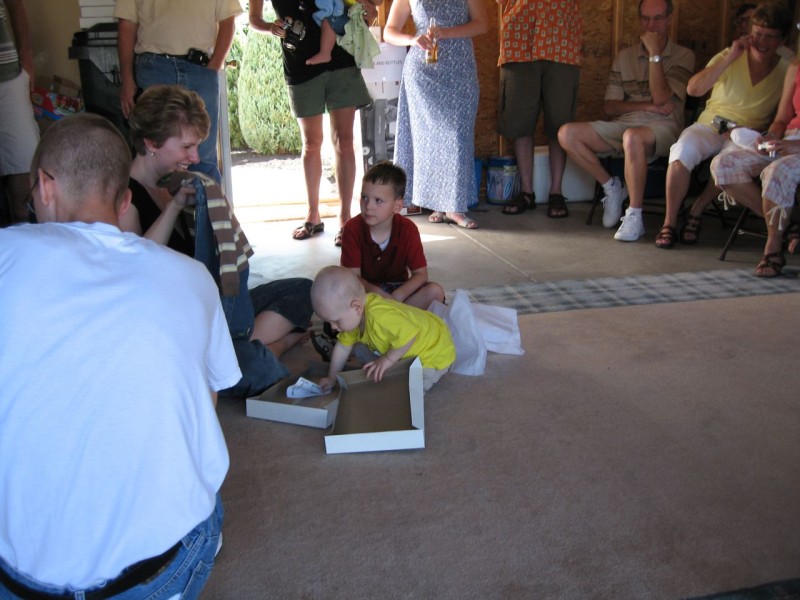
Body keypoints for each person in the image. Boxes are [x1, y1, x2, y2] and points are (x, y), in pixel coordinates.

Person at [0, 113, 239, 597]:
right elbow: (207, 403)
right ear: (126, 200)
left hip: (20, 579)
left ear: (44, 186)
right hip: (155, 575)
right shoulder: (192, 278)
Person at [125, 84, 313, 396]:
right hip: (180, 324)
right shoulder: (127, 199)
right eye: (187, 147)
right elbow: (136, 269)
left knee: (304, 290)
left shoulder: (172, 183)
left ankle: (231, 345)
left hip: (211, 308)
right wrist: (173, 208)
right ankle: (271, 345)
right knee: (258, 370)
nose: (195, 156)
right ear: (152, 142)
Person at [656, 2, 791, 249]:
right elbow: (694, 89)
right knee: (681, 152)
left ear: (781, 41)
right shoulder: (731, 55)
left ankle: (697, 210)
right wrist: (730, 57)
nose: (761, 42)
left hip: (747, 133)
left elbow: (784, 112)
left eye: (770, 37)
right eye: (757, 34)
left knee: (727, 164)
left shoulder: (785, 68)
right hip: (711, 124)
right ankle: (669, 222)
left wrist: (765, 135)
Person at [558, 0, 694, 241]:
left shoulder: (683, 55)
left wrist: (654, 56)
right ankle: (612, 186)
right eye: (645, 19)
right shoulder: (625, 56)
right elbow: (610, 107)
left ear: (669, 19)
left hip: (663, 126)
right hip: (626, 123)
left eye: (658, 18)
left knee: (632, 137)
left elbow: (662, 95)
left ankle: (634, 214)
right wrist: (646, 105)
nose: (651, 25)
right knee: (566, 133)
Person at [249, 0, 381, 246]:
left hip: (342, 60)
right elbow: (254, 20)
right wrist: (271, 27)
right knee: (311, 143)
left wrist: (366, 9)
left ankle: (345, 218)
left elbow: (372, 7)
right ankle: (313, 214)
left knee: (344, 141)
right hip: (300, 65)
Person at [384, 0, 487, 230]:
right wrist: (412, 39)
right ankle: (438, 205)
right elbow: (389, 31)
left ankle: (455, 207)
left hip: (460, 68)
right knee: (428, 140)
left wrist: (446, 32)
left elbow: (482, 24)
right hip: (423, 68)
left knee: (458, 135)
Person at [114, 0, 243, 183]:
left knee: (202, 156)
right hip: (153, 67)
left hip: (201, 69)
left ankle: (205, 211)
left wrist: (212, 67)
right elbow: (127, 26)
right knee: (153, 155)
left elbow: (228, 22)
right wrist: (126, 79)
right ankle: (160, 211)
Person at [710, 57, 800, 277]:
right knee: (723, 164)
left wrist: (793, 146)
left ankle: (773, 247)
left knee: (776, 171)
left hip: (795, 146)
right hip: (789, 139)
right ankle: (785, 227)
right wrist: (769, 138)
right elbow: (782, 118)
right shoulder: (796, 66)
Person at [496, 0, 582, 219]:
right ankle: (526, 192)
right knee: (520, 124)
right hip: (519, 42)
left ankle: (556, 192)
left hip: (562, 42)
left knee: (560, 125)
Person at [311, 265, 456, 392]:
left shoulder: (379, 316)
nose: (333, 327)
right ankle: (392, 363)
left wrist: (386, 360)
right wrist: (332, 377)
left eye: (336, 321)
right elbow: (342, 347)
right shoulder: (354, 318)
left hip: (433, 352)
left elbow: (410, 335)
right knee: (361, 350)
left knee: (406, 390)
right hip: (406, 347)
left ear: (356, 307)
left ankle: (398, 368)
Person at [341, 161, 445, 309]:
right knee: (335, 297)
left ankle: (386, 320)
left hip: (397, 292)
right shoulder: (352, 228)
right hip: (364, 293)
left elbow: (421, 274)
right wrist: (379, 295)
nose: (368, 206)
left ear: (397, 206)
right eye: (364, 197)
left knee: (435, 292)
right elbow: (352, 278)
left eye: (378, 201)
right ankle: (394, 320)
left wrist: (397, 297)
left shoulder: (408, 229)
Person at [0, 0, 38, 225]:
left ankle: (26, 233)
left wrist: (27, 60)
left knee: (25, 160)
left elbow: (16, 4)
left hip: (8, 76)